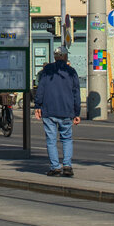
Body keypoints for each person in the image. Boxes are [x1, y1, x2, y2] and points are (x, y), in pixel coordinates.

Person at [33, 45, 81, 177]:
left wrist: (37, 106)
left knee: (51, 139)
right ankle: (67, 166)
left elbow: (41, 89)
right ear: (65, 57)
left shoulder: (47, 70)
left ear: (55, 57)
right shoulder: (71, 72)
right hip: (67, 110)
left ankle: (55, 167)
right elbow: (76, 93)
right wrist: (77, 113)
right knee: (67, 138)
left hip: (49, 109)